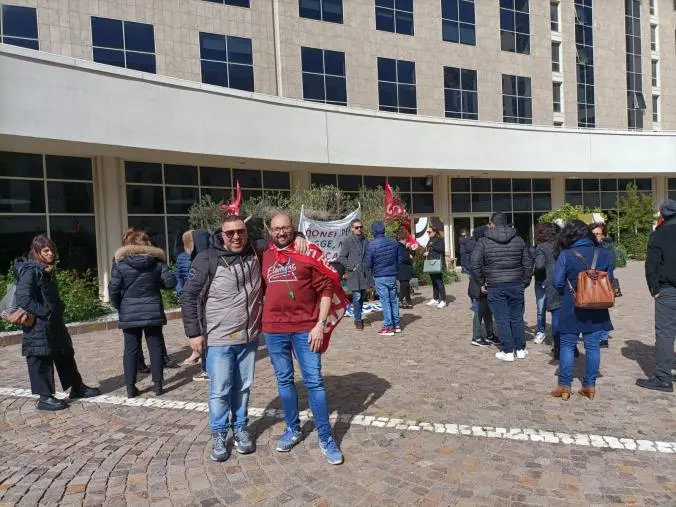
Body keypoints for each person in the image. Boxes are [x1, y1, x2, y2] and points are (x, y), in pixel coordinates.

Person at [182, 216, 308, 462]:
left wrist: (300, 235)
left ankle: (240, 428)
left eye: (240, 232)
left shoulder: (255, 250)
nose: (236, 237)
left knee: (242, 387)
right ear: (222, 235)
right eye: (230, 233)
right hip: (218, 338)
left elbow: (281, 235)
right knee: (220, 390)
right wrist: (194, 333)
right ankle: (219, 434)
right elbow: (189, 296)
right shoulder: (207, 258)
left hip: (248, 337)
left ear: (246, 233)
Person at [261, 214, 345, 465]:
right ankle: (293, 428)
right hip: (274, 330)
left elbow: (327, 288)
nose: (281, 232)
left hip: (306, 329)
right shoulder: (263, 256)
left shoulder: (308, 253)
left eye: (286, 228)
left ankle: (325, 436)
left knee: (314, 382)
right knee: (284, 380)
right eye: (276, 229)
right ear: (270, 231)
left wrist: (320, 324)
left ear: (293, 229)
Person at [15, 235, 100, 411]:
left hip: (53, 323)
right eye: (46, 250)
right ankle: (45, 398)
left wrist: (58, 308)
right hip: (39, 324)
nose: (50, 253)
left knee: (65, 353)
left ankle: (77, 387)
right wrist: (45, 312)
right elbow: (23, 298)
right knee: (41, 358)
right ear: (37, 252)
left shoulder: (45, 269)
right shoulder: (30, 270)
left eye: (52, 249)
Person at [109, 229, 177, 398]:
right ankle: (158, 385)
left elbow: (114, 289)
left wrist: (120, 307)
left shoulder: (120, 264)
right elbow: (170, 283)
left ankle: (130, 388)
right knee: (155, 346)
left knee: (130, 349)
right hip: (152, 309)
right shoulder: (156, 262)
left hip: (129, 310)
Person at [551, 220, 614, 401]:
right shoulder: (603, 253)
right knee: (593, 346)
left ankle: (564, 386)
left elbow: (557, 282)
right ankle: (589, 385)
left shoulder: (566, 255)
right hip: (597, 304)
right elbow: (609, 278)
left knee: (568, 345)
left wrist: (570, 289)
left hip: (572, 304)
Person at [471, 213, 533, 362]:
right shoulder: (519, 240)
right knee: (517, 318)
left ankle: (508, 351)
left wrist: (481, 282)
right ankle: (520, 349)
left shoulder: (484, 241)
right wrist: (525, 281)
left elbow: (475, 264)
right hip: (516, 283)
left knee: (502, 319)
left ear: (492, 224)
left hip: (495, 284)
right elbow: (528, 263)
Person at [637, 199, 676, 392]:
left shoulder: (659, 235)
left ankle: (663, 377)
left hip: (668, 290)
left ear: (662, 214)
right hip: (667, 290)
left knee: (666, 334)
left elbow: (651, 265)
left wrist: (654, 289)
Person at [365, 221, 403, 336]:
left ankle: (388, 327)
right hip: (392, 275)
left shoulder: (372, 245)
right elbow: (399, 259)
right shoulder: (394, 242)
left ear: (373, 232)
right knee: (393, 300)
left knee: (385, 302)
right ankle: (396, 325)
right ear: (384, 230)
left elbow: (367, 263)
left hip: (380, 276)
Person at [533, 223, 563, 357]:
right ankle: (567, 344)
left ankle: (557, 347)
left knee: (553, 312)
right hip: (563, 279)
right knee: (561, 312)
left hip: (548, 281)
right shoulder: (562, 244)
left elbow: (539, 265)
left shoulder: (542, 246)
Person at [465, 226, 496, 348]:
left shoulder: (481, 247)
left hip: (483, 286)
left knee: (488, 311)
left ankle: (490, 334)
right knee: (478, 311)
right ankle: (476, 337)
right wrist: (482, 282)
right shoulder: (478, 250)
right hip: (478, 287)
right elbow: (477, 269)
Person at [338, 219, 370, 330]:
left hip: (364, 273)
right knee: (357, 297)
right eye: (356, 227)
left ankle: (359, 317)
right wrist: (352, 267)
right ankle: (357, 320)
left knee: (362, 297)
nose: (359, 229)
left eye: (361, 227)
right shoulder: (347, 241)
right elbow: (341, 257)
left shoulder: (366, 240)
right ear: (352, 228)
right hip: (354, 274)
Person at [590, 222, 618, 348]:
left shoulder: (607, 247)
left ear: (603, 235)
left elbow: (612, 265)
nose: (596, 236)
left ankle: (604, 337)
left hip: (603, 280)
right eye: (594, 234)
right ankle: (590, 331)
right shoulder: (587, 247)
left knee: (602, 307)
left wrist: (608, 280)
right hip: (588, 280)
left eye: (599, 234)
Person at [533, 224, 556, 345]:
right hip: (556, 281)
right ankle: (556, 333)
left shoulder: (541, 246)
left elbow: (539, 265)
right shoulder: (559, 246)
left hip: (541, 280)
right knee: (556, 308)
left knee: (541, 308)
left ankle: (541, 332)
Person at [424, 225, 447, 309]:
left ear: (435, 232)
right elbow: (429, 250)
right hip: (431, 263)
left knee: (439, 281)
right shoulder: (430, 240)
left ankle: (443, 300)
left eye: (429, 232)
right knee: (434, 281)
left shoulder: (439, 239)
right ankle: (435, 298)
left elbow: (441, 249)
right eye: (427, 232)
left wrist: (431, 249)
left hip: (437, 263)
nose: (428, 233)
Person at [396, 228, 414, 309]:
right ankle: (400, 300)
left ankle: (409, 301)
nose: (407, 241)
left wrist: (407, 249)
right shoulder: (400, 247)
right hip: (403, 269)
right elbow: (404, 258)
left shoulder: (402, 247)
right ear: (402, 239)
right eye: (406, 239)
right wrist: (410, 257)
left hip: (403, 269)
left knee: (406, 285)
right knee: (404, 285)